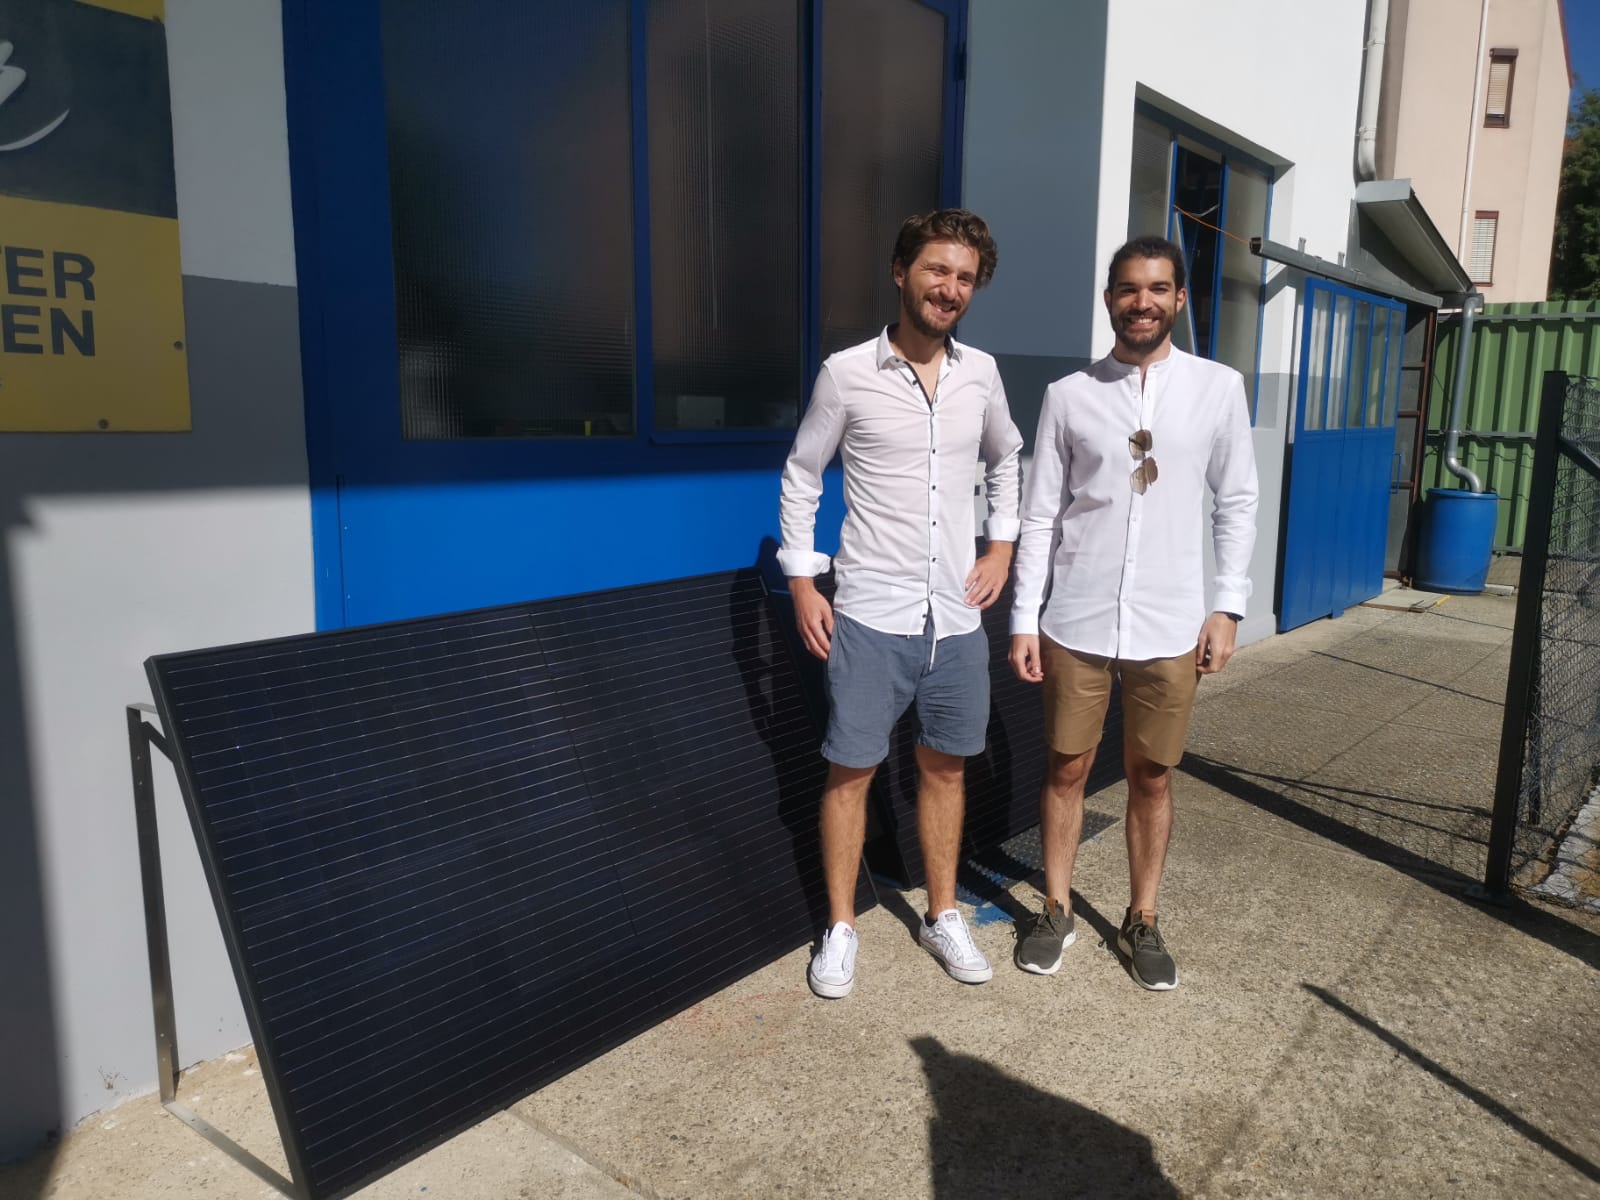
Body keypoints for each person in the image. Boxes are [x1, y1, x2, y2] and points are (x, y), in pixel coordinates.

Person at [778, 209, 1024, 999]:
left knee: (945, 771)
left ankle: (942, 914)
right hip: (870, 615)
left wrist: (1001, 547)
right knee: (850, 773)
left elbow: (1007, 458)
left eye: (964, 277)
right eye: (936, 270)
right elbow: (802, 474)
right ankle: (840, 926)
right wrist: (803, 580)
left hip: (955, 618)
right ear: (900, 272)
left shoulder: (981, 374)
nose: (949, 288)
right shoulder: (847, 373)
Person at [1008, 236, 1259, 991]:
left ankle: (1142, 916)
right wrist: (1024, 617)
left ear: (1179, 298)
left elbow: (1237, 500)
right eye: (1127, 289)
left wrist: (1228, 606)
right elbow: (1039, 513)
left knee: (1151, 774)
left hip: (1171, 622)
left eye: (1156, 289)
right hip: (1076, 619)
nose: (1141, 302)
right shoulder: (1069, 395)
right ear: (1109, 298)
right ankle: (1056, 907)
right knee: (1067, 766)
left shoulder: (1218, 388)